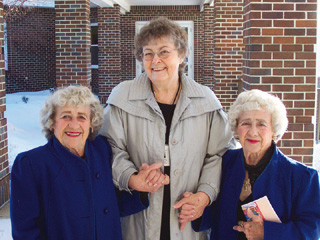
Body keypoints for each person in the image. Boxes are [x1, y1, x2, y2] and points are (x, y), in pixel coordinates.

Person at [100, 17, 235, 240]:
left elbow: (220, 154)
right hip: (138, 218)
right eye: (148, 53)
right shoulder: (122, 98)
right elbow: (108, 148)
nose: (155, 60)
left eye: (164, 51)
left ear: (181, 55)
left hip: (186, 217)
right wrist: (132, 178)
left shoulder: (206, 102)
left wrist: (203, 196)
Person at [10, 86, 153, 240]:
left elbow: (111, 205)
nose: (74, 124)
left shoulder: (102, 150)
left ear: (92, 123)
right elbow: (25, 232)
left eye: (81, 117)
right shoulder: (31, 164)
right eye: (65, 116)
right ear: (52, 122)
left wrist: (141, 188)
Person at [188, 89, 320, 239]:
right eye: (246, 123)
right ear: (236, 127)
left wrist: (267, 232)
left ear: (274, 130)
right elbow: (211, 217)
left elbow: (310, 233)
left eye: (261, 124)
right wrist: (195, 206)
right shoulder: (224, 162)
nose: (253, 132)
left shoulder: (302, 177)